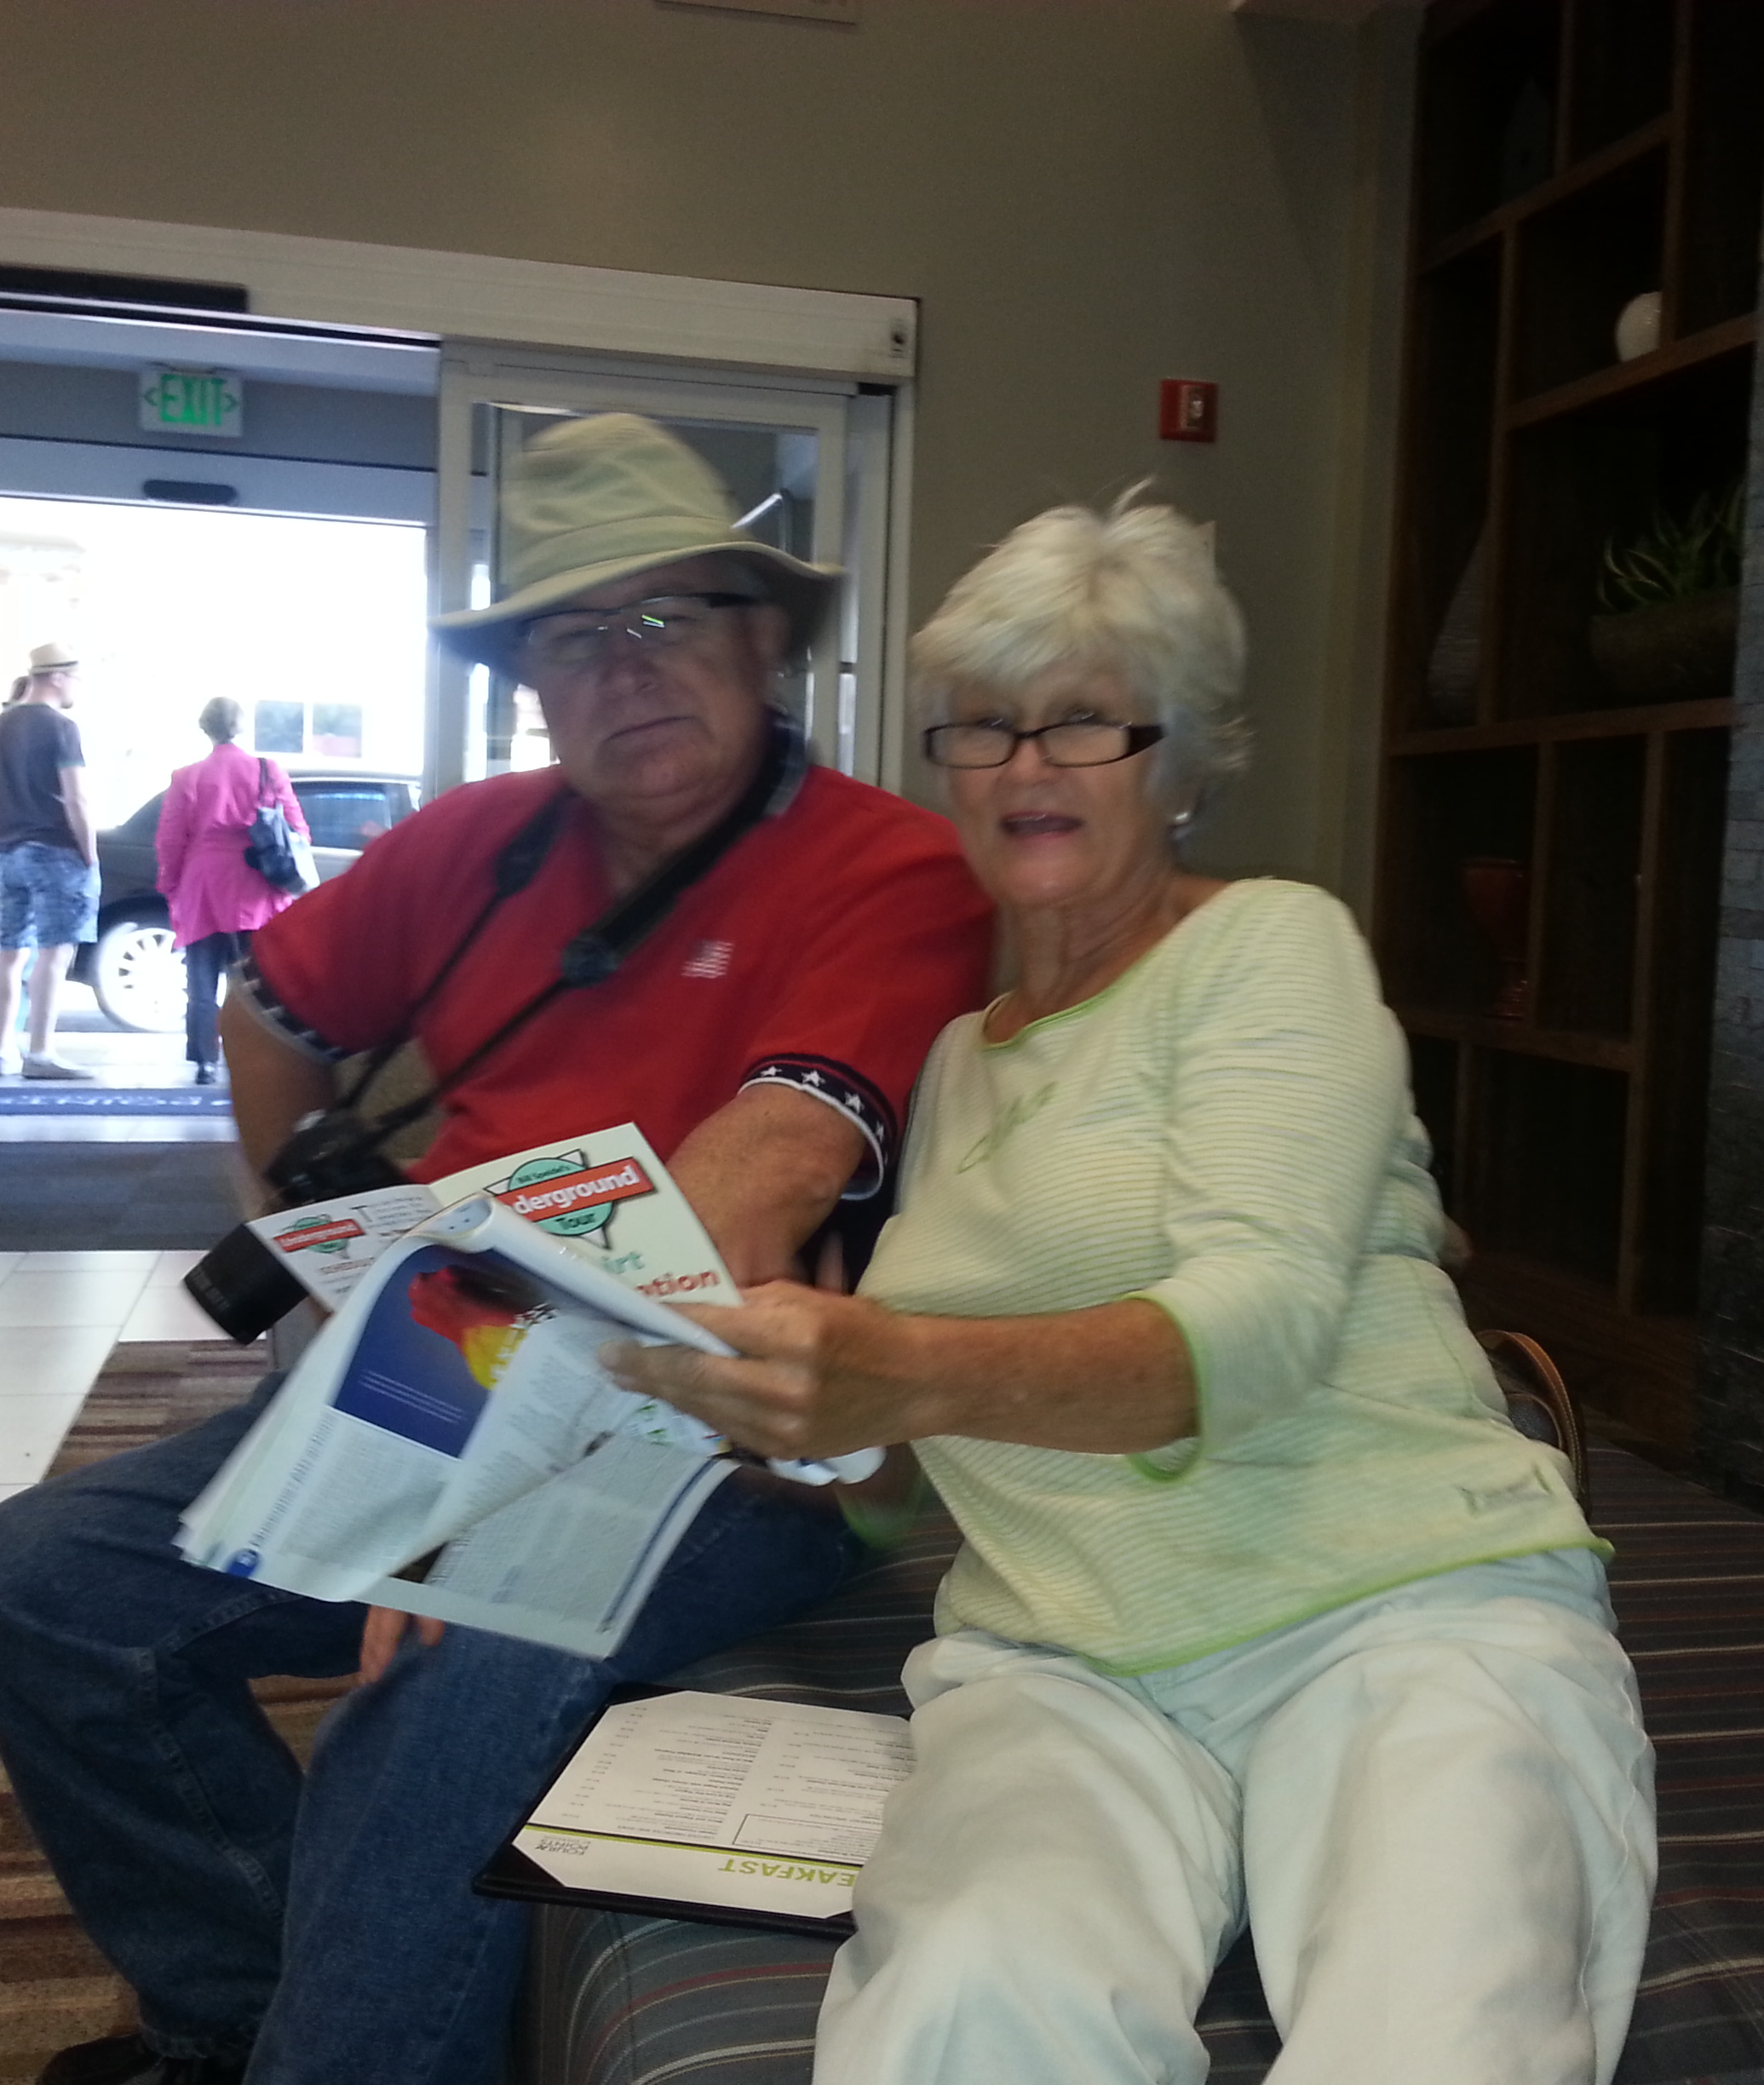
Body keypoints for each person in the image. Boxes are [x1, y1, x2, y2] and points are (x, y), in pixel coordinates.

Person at [0, 413, 995, 2085]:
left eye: (670, 613)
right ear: (526, 681)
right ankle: (239, 2019)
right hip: (444, 1368)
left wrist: (451, 1489)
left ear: (766, 639)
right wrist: (323, 1269)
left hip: (729, 1443)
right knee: (38, 1580)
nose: (625, 665)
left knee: (458, 1655)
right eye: (573, 634)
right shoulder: (479, 843)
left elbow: (747, 1189)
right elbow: (266, 1007)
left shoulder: (893, 870)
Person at [606, 498, 1659, 2085]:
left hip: (1393, 1611)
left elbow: (1258, 1322)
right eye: (982, 724)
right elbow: (920, 1459)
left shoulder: (1271, 946)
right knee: (959, 2006)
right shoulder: (955, 1062)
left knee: (1435, 2032)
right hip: (1063, 1666)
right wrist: (798, 1422)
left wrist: (900, 1364)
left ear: (1178, 760)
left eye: (1084, 719)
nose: (1026, 765)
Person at [153, 697, 308, 1084]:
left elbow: (170, 840)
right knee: (257, 980)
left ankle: (205, 1061)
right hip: (256, 883)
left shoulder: (186, 777)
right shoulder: (268, 770)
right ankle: (258, 1053)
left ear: (205, 728)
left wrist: (170, 885)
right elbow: (298, 830)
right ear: (240, 726)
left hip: (203, 885)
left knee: (202, 979)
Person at [0, 642, 99, 1080]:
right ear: (58, 677)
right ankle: (41, 1052)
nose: (77, 688)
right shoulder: (62, 728)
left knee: (9, 950)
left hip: (8, 851)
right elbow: (76, 797)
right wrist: (89, 853)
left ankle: (1, 1050)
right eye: (76, 679)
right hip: (55, 850)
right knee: (54, 952)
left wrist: (3, 833)